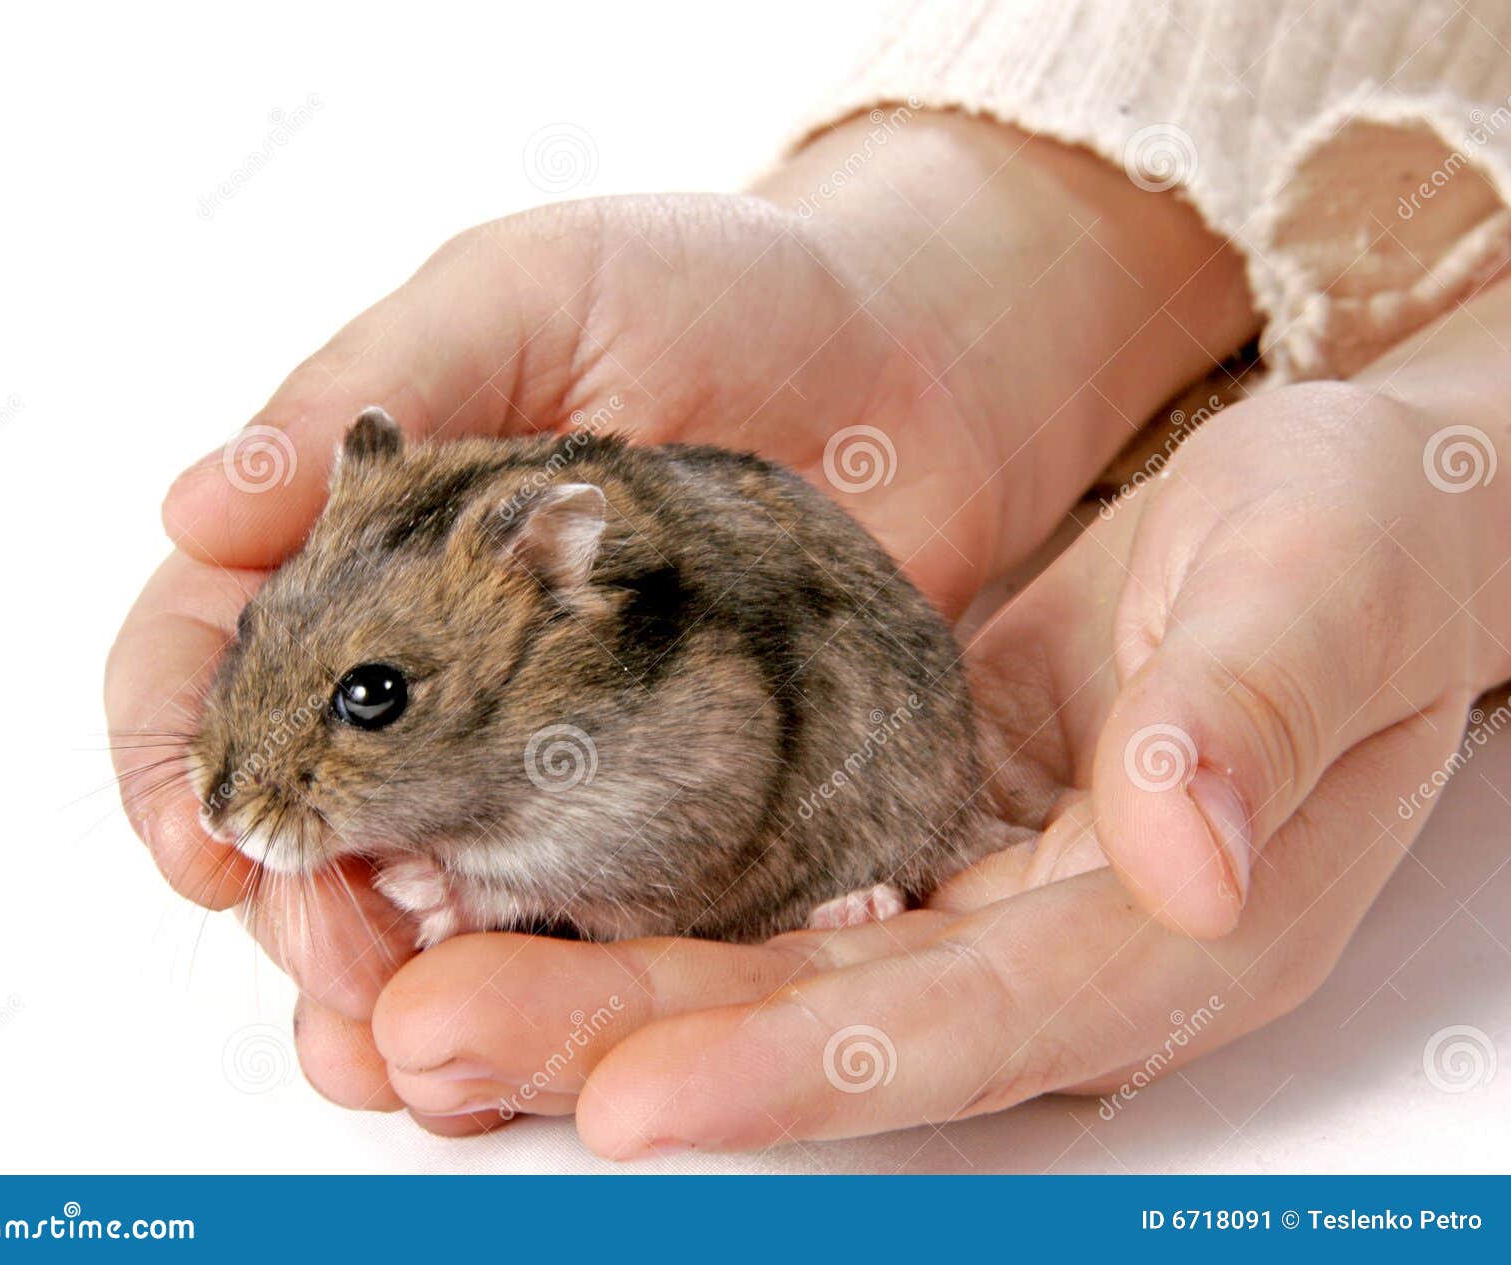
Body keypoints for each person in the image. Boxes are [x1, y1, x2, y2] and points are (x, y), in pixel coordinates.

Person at [106, 0, 1511, 1155]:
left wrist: (1464, 457)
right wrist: (971, 243)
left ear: (552, 593)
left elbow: (675, 840)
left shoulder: (655, 723)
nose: (233, 779)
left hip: (846, 773)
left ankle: (877, 859)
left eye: (369, 694)